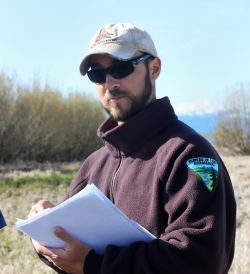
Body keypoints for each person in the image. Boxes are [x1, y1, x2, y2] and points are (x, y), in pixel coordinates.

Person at [29, 23, 236, 274]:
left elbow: (200, 261)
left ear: (155, 68)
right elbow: (74, 261)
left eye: (121, 67)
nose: (110, 82)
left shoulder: (189, 154)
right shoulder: (92, 165)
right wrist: (47, 235)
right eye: (97, 74)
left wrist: (95, 264)